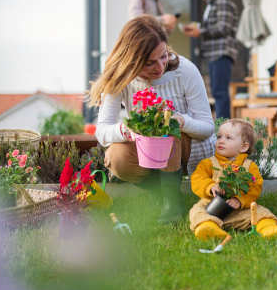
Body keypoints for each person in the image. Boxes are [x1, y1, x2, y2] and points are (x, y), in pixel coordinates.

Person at [87, 14, 216, 224]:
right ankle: (158, 193)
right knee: (116, 158)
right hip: (146, 150)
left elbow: (207, 128)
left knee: (167, 128)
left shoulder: (185, 70)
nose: (160, 67)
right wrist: (126, 130)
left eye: (163, 56)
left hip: (186, 148)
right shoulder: (120, 77)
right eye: (149, 63)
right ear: (132, 60)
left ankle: (173, 203)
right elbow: (102, 132)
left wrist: (181, 121)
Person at [189, 119, 277, 240]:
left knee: (262, 213)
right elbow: (197, 179)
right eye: (219, 136)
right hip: (211, 207)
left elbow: (255, 187)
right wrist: (210, 186)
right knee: (197, 211)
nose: (221, 141)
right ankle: (209, 228)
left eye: (228, 138)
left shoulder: (249, 167)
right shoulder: (208, 163)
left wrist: (240, 200)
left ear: (243, 147)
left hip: (240, 211)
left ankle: (269, 229)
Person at [181, 0, 239, 120]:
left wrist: (200, 30)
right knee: (217, 92)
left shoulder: (222, 1)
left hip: (221, 53)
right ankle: (222, 129)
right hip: (214, 53)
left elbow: (223, 27)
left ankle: (223, 130)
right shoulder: (212, 3)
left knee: (220, 93)